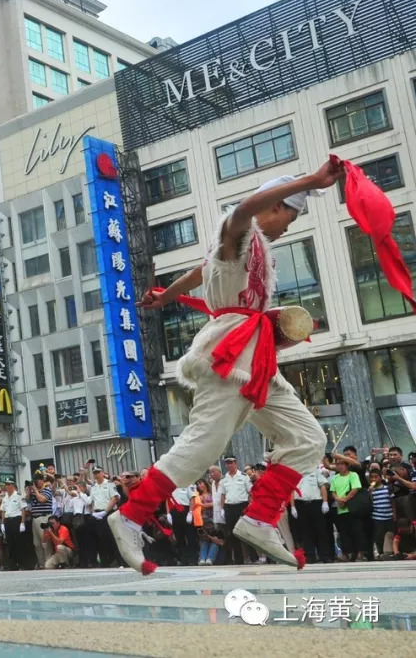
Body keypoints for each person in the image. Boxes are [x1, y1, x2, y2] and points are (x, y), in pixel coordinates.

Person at [109, 164, 343, 575]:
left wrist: (167, 297)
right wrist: (310, 181)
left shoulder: (246, 251)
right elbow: (243, 211)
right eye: (290, 217)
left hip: (256, 360)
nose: (288, 228)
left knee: (307, 436)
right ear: (276, 206)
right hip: (229, 357)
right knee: (202, 445)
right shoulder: (237, 232)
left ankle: (260, 519)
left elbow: (199, 272)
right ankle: (129, 515)